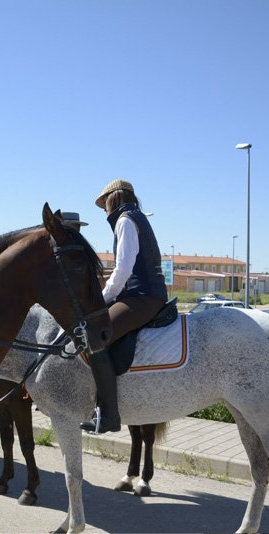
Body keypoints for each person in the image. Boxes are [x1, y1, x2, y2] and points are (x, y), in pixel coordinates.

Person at [81, 180, 167, 434]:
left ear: (113, 199)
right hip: (147, 294)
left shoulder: (125, 221)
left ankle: (108, 415)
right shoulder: (136, 217)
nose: (104, 212)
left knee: (94, 337)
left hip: (142, 297)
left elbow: (123, 270)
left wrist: (103, 299)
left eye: (104, 205)